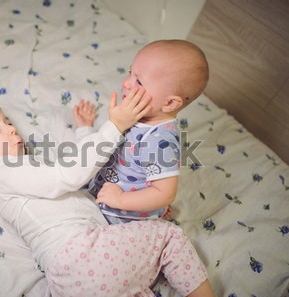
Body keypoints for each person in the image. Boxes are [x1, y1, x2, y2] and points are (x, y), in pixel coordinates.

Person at [0, 96, 215, 297]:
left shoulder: (19, 173)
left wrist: (85, 129)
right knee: (168, 236)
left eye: (7, 120)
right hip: (80, 257)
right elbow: (71, 173)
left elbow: (76, 174)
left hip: (73, 282)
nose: (10, 127)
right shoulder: (3, 170)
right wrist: (114, 127)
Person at [74, 40, 209, 224]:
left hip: (121, 216)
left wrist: (121, 200)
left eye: (139, 81)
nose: (126, 84)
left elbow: (165, 193)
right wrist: (87, 128)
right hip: (100, 187)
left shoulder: (160, 141)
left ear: (169, 103)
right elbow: (108, 144)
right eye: (131, 73)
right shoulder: (137, 114)